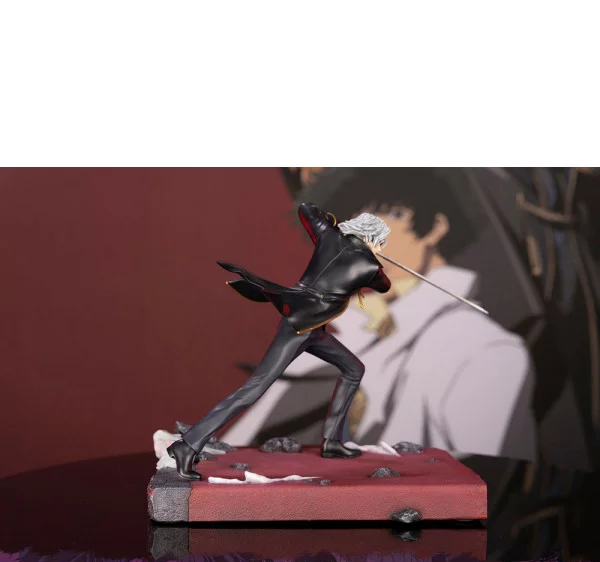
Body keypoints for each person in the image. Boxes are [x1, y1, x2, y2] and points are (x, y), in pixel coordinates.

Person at [223, 168, 537, 461]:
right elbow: (239, 450)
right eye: (358, 215)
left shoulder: (484, 349)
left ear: (436, 226)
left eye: (392, 213)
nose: (371, 230)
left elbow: (475, 478)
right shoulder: (352, 328)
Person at [167, 202, 392, 480]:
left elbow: (306, 209)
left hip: (312, 328)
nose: (382, 247)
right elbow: (384, 285)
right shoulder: (370, 266)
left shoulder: (328, 235)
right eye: (381, 242)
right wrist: (375, 259)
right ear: (372, 238)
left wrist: (332, 225)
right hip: (299, 329)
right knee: (254, 389)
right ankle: (187, 445)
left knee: (353, 368)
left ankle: (332, 441)